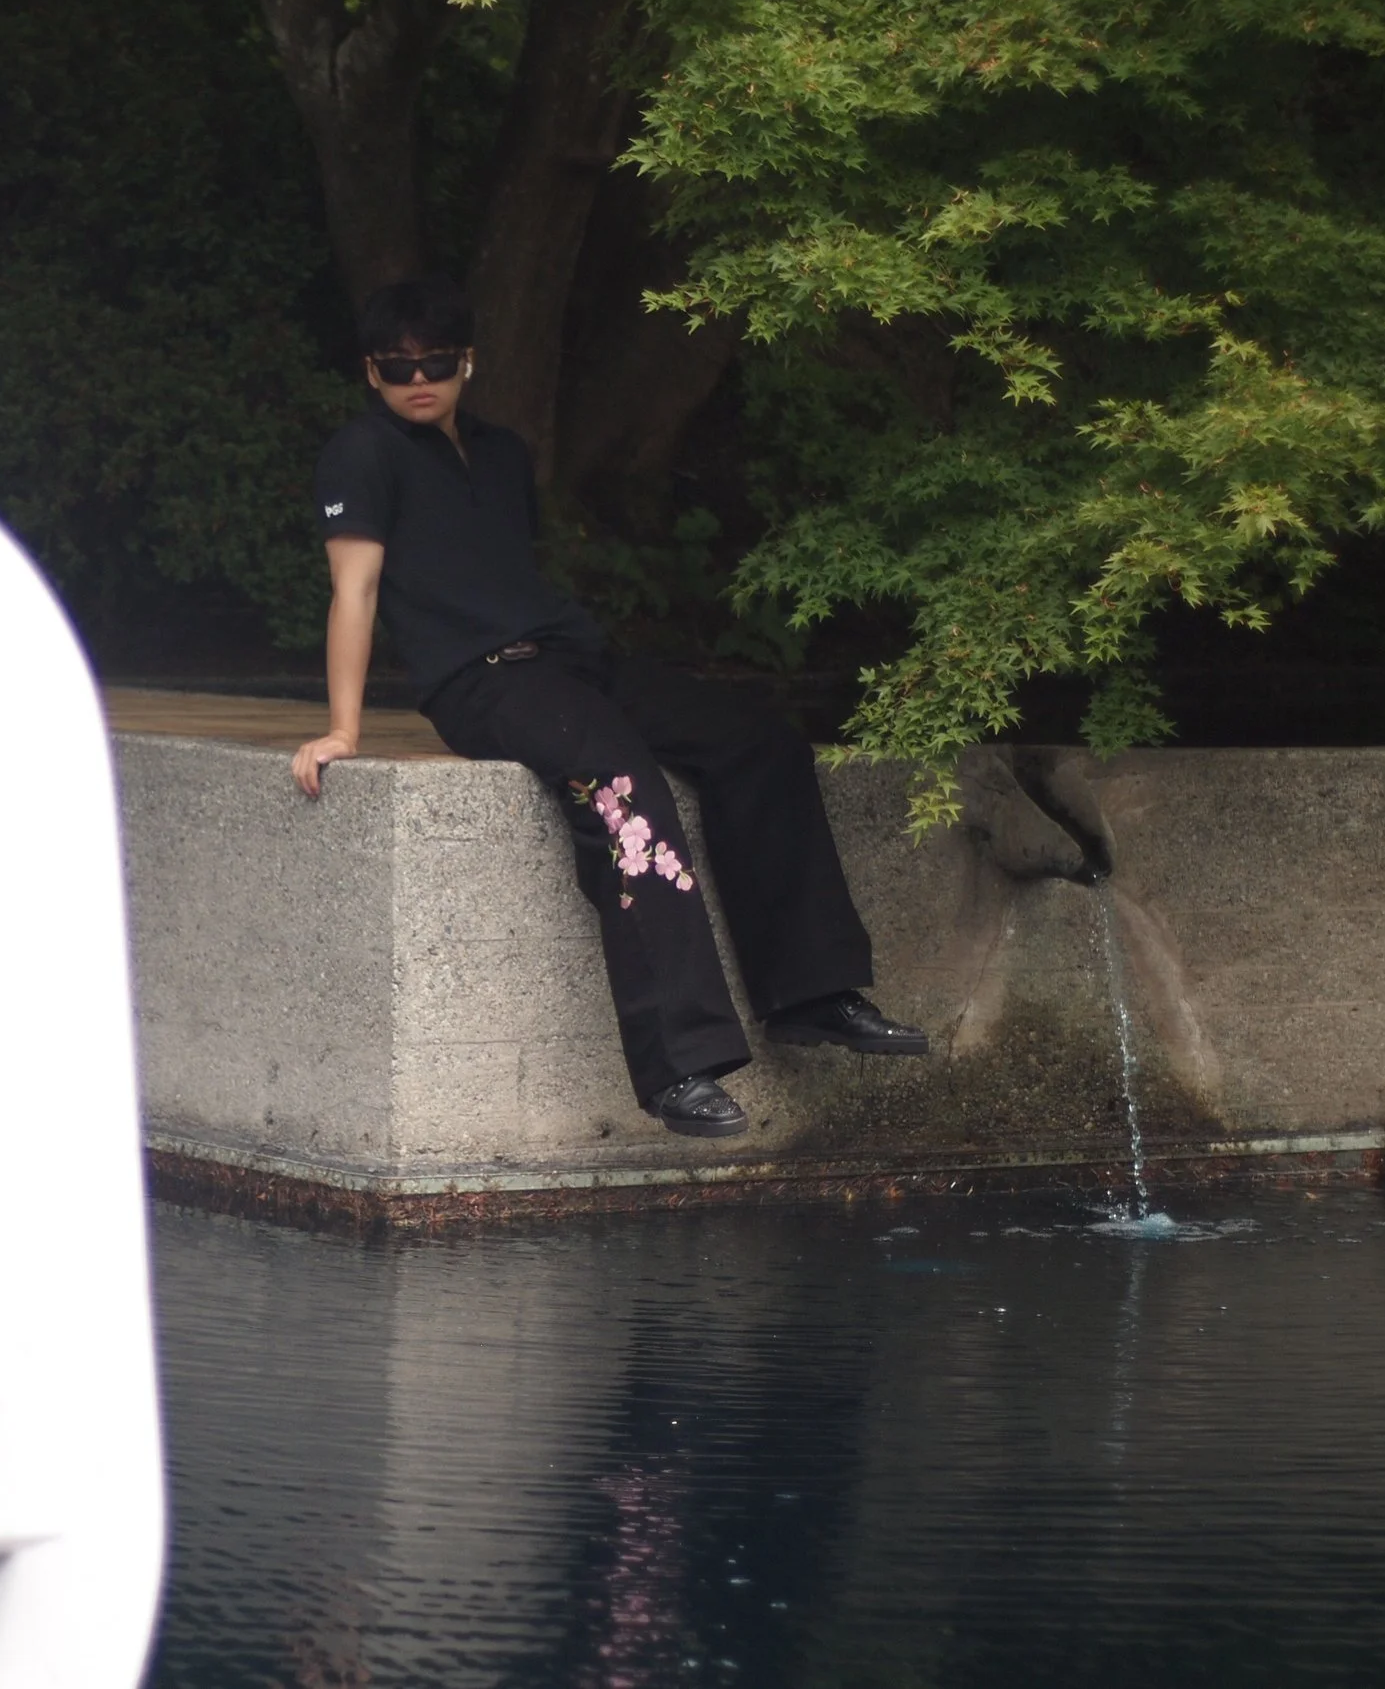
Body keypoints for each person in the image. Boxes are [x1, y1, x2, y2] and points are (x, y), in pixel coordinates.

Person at [291, 276, 927, 1138]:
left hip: (573, 660)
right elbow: (355, 591)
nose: (417, 379)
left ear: (467, 361)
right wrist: (342, 729)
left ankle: (810, 993)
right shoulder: (360, 455)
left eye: (435, 361)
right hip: (485, 683)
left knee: (760, 743)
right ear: (371, 373)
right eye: (396, 367)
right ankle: (679, 1066)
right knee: (623, 787)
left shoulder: (503, 453)